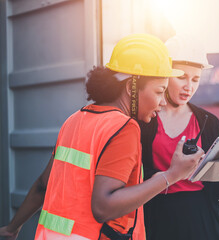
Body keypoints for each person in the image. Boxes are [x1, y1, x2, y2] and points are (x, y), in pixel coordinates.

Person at [0, 34, 204, 240]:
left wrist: (13, 227)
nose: (162, 103)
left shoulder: (75, 119)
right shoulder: (125, 127)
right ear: (130, 88)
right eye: (159, 91)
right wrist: (172, 175)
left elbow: (44, 185)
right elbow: (103, 207)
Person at [139, 35, 219, 240]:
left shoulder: (209, 122)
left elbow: (217, 189)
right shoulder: (144, 120)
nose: (189, 86)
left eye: (196, 79)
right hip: (156, 219)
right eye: (181, 77)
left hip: (204, 222)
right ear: (165, 74)